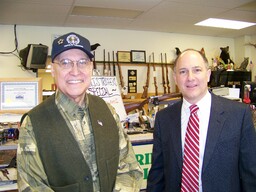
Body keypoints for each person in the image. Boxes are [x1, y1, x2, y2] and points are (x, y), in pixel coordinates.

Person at [17, 32, 143, 192]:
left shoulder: (107, 111)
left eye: (82, 62)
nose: (75, 71)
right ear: (53, 70)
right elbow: (31, 186)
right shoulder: (33, 123)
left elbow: (130, 168)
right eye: (65, 62)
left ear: (91, 67)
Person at [147, 49, 256, 191]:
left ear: (208, 74)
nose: (190, 78)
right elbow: (157, 175)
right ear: (175, 78)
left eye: (197, 70)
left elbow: (251, 175)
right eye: (183, 72)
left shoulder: (238, 115)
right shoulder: (164, 119)